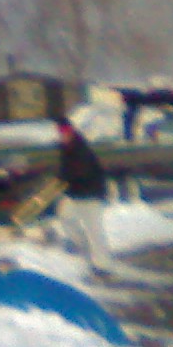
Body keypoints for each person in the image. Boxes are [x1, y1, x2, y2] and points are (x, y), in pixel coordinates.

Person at [53, 116, 113, 277]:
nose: (62, 136)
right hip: (76, 194)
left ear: (71, 132)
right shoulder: (66, 149)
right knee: (65, 218)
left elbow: (81, 172)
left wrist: (65, 179)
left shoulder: (81, 149)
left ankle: (103, 266)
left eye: (65, 133)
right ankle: (86, 250)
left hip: (91, 195)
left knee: (95, 231)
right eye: (60, 133)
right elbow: (66, 170)